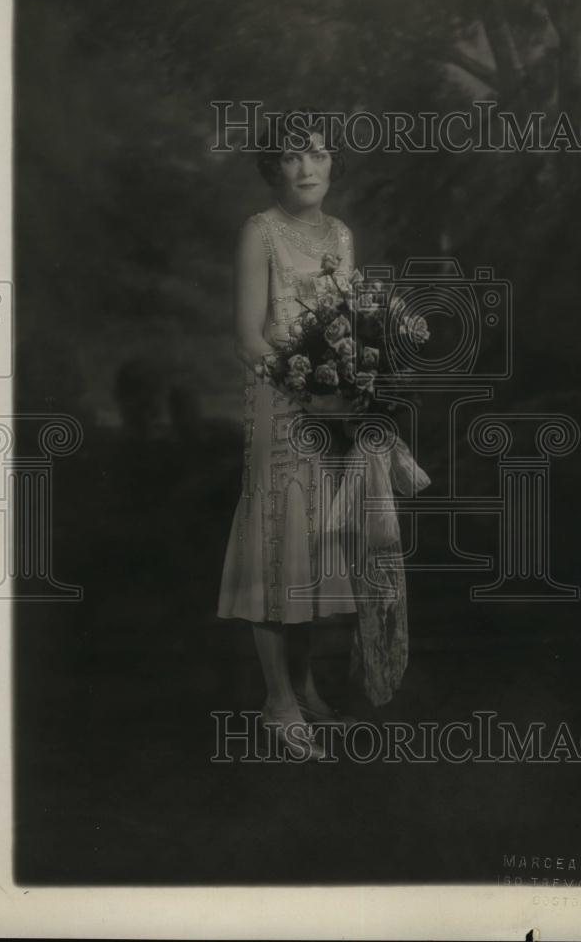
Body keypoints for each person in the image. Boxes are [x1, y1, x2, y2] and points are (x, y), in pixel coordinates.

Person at [217, 111, 357, 758]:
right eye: (292, 158)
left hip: (327, 409)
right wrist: (298, 377)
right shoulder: (260, 234)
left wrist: (348, 377)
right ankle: (277, 703)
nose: (306, 168)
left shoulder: (340, 236)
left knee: (313, 546)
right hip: (279, 406)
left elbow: (346, 324)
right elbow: (248, 337)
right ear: (273, 169)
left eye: (318, 156)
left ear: (331, 164)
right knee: (277, 546)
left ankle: (303, 685)